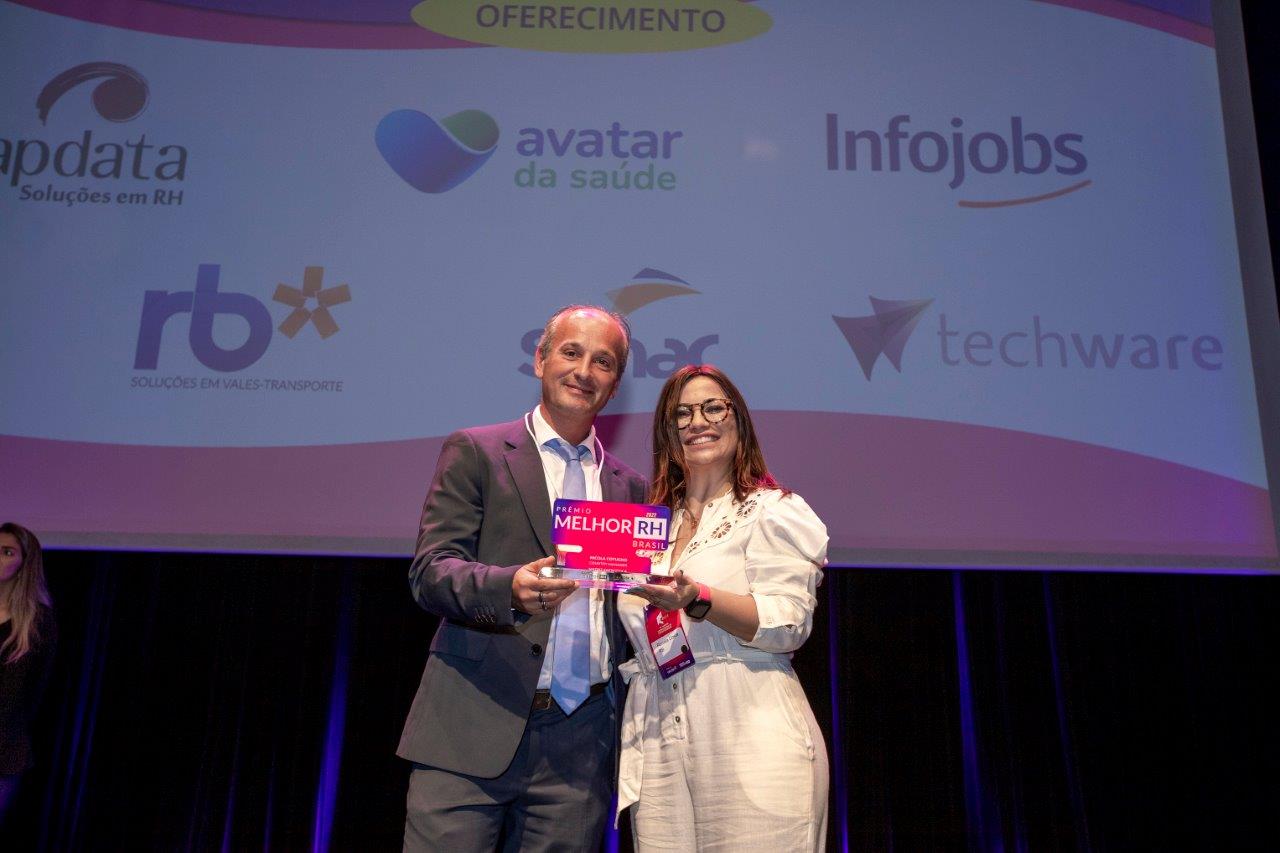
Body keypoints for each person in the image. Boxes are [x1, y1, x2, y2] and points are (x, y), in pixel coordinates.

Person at [399, 305, 648, 851]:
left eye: (603, 362)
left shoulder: (631, 489)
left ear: (615, 385)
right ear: (540, 359)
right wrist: (507, 588)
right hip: (471, 721)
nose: (584, 371)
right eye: (571, 352)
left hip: (580, 744)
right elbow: (431, 570)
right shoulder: (476, 452)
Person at [618, 364, 830, 851]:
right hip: (657, 737)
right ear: (667, 432)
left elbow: (789, 622)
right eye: (682, 414)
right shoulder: (648, 529)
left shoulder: (771, 510)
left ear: (739, 420)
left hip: (750, 726)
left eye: (713, 408)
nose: (697, 422)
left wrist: (700, 598)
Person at [0, 522, 57, 826]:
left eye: (7, 552)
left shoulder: (36, 623)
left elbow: (32, 691)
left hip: (4, 751)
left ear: (25, 563)